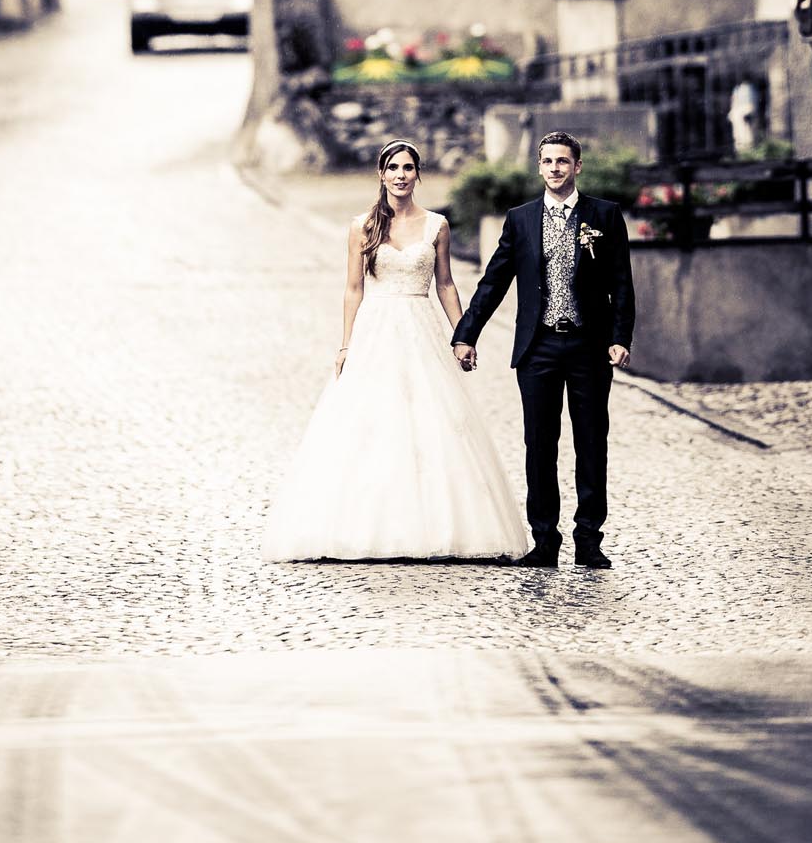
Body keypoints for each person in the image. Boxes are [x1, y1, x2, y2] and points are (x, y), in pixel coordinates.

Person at [262, 138, 527, 562]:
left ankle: (438, 525)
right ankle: (363, 524)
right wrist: (346, 344)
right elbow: (353, 288)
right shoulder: (362, 225)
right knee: (372, 419)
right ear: (381, 174)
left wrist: (462, 335)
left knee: (431, 418)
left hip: (420, 326)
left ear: (417, 175)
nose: (401, 175)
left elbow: (444, 283)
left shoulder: (436, 225)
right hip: (377, 329)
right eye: (393, 168)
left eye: (408, 168)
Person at [451, 132, 635, 569]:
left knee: (592, 443)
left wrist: (619, 337)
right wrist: (466, 334)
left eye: (563, 161)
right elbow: (494, 281)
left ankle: (589, 539)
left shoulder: (604, 216)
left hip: (589, 346)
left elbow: (621, 283)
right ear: (539, 167)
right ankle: (545, 540)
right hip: (538, 348)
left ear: (578, 166)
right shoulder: (520, 219)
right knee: (540, 445)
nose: (555, 168)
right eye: (548, 161)